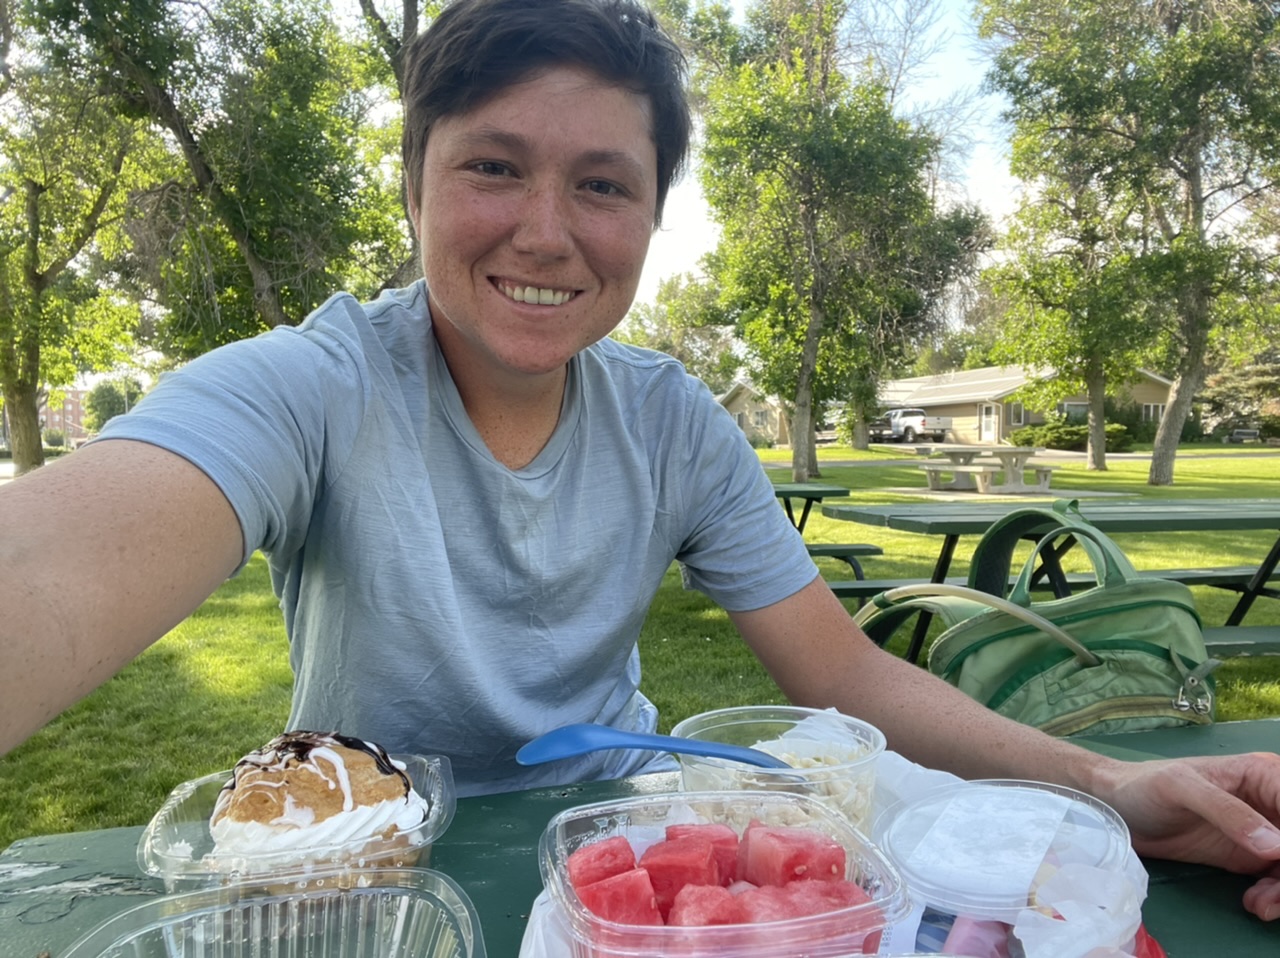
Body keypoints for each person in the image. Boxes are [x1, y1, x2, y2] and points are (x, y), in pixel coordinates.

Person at [1, 0, 1278, 921]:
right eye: (492, 167)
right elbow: (46, 575)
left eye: (603, 186)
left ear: (653, 216)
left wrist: (1114, 783)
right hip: (369, 870)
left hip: (634, 852)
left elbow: (843, 675)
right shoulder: (308, 385)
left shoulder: (673, 419)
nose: (546, 234)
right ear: (415, 185)